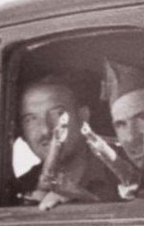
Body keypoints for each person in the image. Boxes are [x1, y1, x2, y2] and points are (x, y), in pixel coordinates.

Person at [14, 75, 126, 209]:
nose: (45, 130)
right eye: (31, 119)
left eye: (57, 114)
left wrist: (88, 201)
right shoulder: (17, 190)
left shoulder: (122, 173)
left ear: (83, 116)